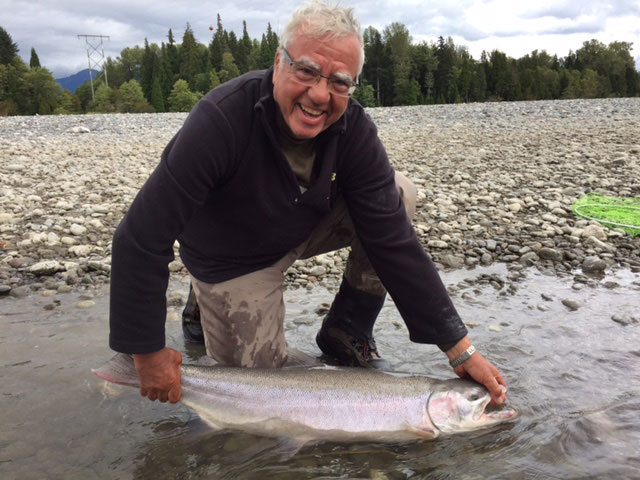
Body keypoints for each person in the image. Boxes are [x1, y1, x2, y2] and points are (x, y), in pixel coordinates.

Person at [108, 0, 507, 406]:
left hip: (297, 225)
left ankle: (347, 329)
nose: (320, 94)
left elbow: (393, 241)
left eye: (339, 82)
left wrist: (460, 349)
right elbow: (140, 238)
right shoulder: (221, 119)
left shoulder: (354, 129)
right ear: (279, 63)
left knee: (398, 194)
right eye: (308, 71)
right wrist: (146, 352)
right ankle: (206, 296)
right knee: (261, 395)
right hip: (232, 256)